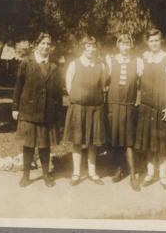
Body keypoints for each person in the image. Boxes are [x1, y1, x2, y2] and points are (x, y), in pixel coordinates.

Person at [12, 33, 62, 188]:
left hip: (47, 113)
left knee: (44, 145)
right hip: (29, 111)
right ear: (37, 45)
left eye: (48, 44)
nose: (46, 46)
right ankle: (25, 176)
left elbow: (57, 93)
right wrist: (15, 107)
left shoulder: (54, 67)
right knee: (28, 145)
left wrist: (57, 113)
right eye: (43, 43)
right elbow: (18, 87)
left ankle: (46, 175)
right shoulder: (27, 63)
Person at [135, 28, 166, 191]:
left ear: (161, 41)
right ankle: (150, 173)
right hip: (146, 106)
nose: (154, 43)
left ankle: (163, 176)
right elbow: (136, 77)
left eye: (156, 40)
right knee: (148, 143)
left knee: (163, 144)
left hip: (162, 107)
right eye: (151, 41)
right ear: (148, 42)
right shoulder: (143, 59)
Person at [63, 35, 106, 186]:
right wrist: (79, 99)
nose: (91, 49)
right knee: (77, 141)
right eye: (88, 46)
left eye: (93, 46)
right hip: (79, 108)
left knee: (93, 142)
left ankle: (92, 173)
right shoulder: (74, 64)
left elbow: (103, 86)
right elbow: (69, 86)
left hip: (95, 109)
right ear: (83, 48)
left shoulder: (101, 66)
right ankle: (76, 173)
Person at [106, 34, 140, 191]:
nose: (125, 47)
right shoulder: (110, 61)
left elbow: (141, 85)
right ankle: (120, 169)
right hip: (113, 105)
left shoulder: (138, 62)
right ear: (118, 45)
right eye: (123, 44)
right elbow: (103, 82)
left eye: (128, 44)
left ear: (131, 46)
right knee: (116, 139)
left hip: (129, 105)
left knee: (129, 140)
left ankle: (133, 175)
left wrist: (138, 99)